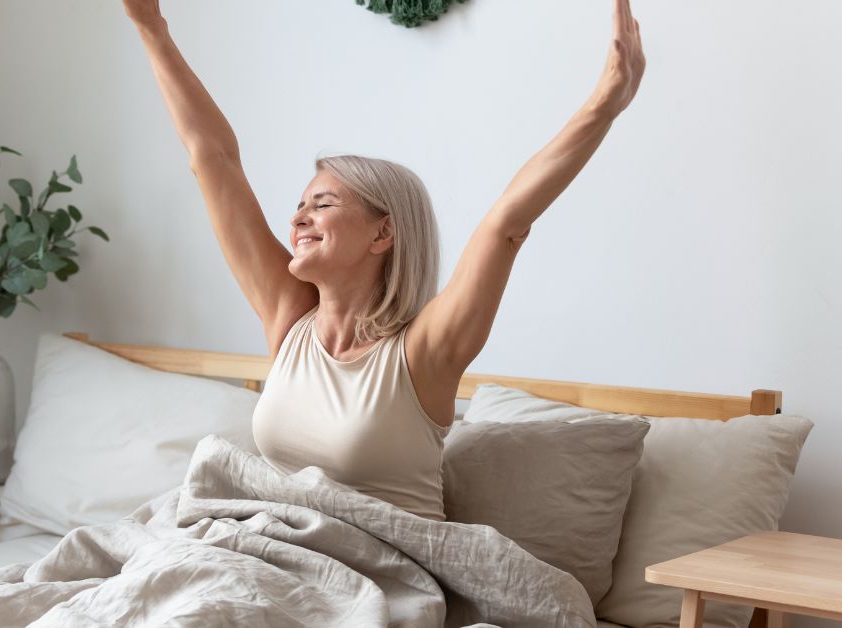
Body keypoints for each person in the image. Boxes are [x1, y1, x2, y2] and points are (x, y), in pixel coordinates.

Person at [124, 0, 646, 520]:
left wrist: (604, 104)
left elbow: (506, 224)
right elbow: (214, 160)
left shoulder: (424, 352)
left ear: (384, 233)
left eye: (322, 204)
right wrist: (152, 27)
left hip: (384, 573)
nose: (299, 220)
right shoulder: (289, 322)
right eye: (299, 205)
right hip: (272, 552)